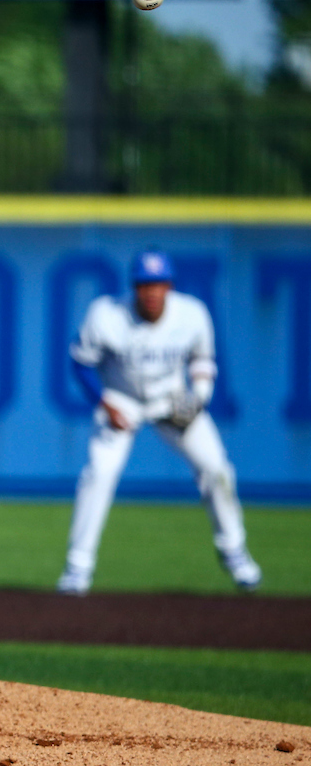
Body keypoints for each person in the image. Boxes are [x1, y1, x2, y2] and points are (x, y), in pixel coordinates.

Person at [57, 249, 262, 597]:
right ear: (133, 287)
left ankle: (234, 551)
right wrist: (103, 403)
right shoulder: (106, 315)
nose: (151, 292)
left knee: (217, 469)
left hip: (172, 398)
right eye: (144, 284)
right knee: (98, 475)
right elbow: (81, 363)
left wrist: (197, 398)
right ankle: (78, 567)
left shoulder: (191, 314)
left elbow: (203, 361)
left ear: (169, 285)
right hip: (120, 398)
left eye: (158, 284)